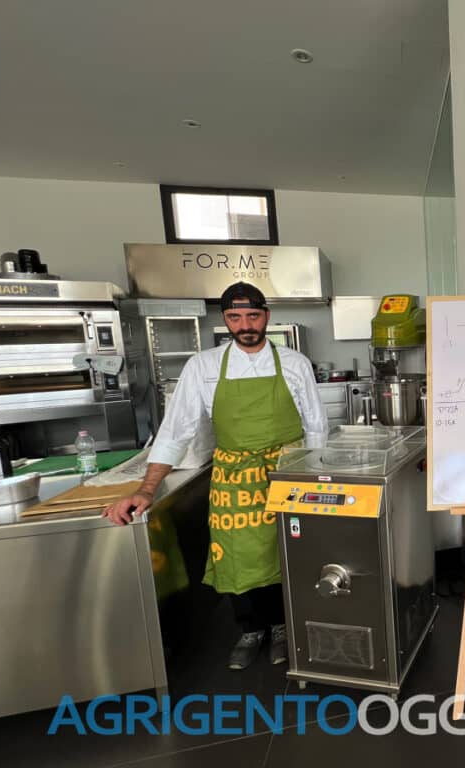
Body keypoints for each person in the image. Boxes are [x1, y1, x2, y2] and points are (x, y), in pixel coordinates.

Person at [104, 282, 326, 670]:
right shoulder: (203, 366)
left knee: (286, 549)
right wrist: (147, 489)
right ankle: (250, 629)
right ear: (225, 319)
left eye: (253, 316)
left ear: (266, 316)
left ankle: (282, 627)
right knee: (236, 554)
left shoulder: (295, 363)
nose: (245, 325)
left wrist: (317, 478)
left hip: (287, 472)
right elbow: (176, 431)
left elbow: (316, 427)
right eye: (235, 317)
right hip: (234, 477)